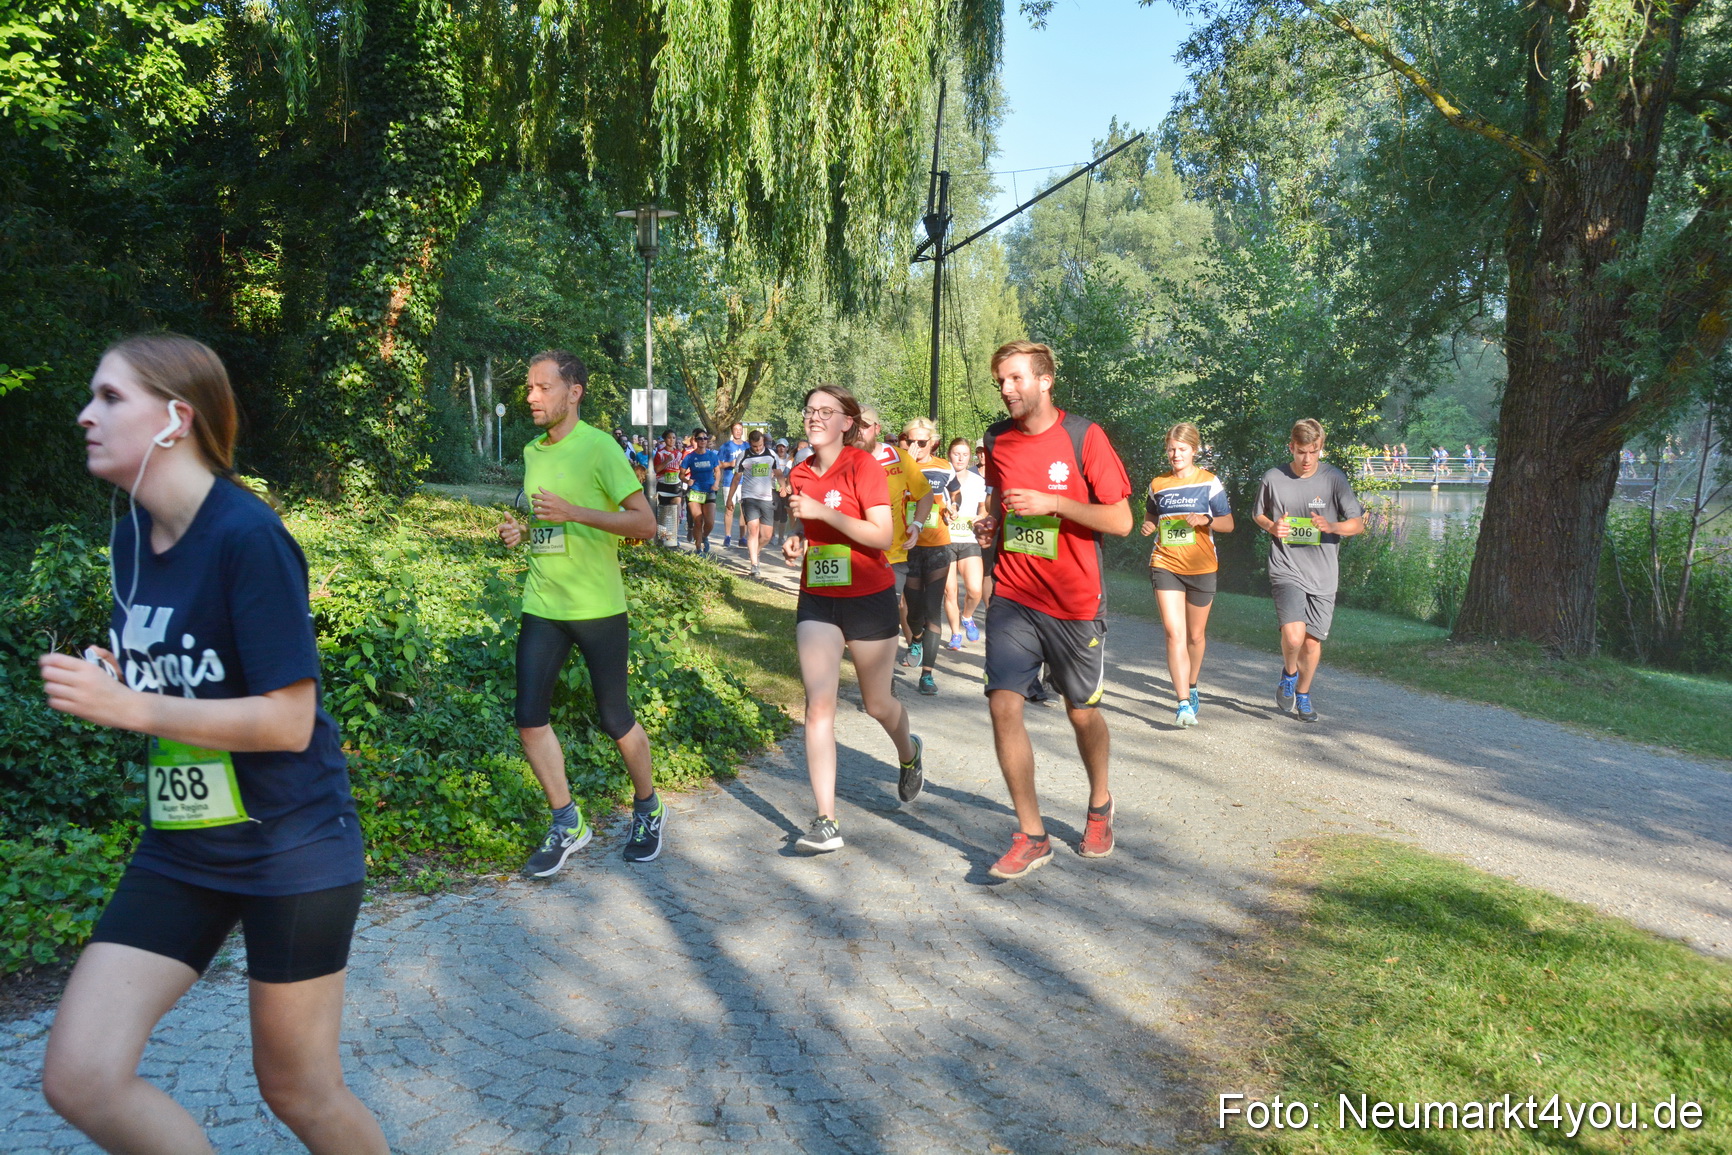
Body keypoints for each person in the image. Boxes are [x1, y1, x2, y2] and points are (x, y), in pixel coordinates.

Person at [36, 334, 388, 1154]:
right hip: (184, 845)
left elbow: (285, 720)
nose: (86, 414)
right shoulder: (131, 536)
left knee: (299, 1088)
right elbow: (185, 668)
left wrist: (127, 705)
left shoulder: (247, 536)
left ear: (175, 418)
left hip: (292, 848)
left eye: (112, 397)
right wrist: (119, 670)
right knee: (80, 1076)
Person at [495, 352, 666, 874]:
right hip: (543, 602)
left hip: (597, 607)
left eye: (542, 387)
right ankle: (567, 820)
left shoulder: (600, 448)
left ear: (574, 392)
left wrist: (575, 513)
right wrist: (519, 532)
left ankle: (648, 807)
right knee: (529, 719)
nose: (531, 397)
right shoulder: (530, 450)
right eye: (529, 387)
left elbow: (645, 525)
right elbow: (543, 521)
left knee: (615, 718)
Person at [970, 341, 1133, 880]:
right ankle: (1032, 834)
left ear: (1045, 380)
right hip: (1015, 594)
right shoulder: (996, 439)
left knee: (1081, 712)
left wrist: (1056, 504)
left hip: (1075, 603)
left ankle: (1100, 804)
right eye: (1000, 381)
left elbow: (1122, 522)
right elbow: (997, 500)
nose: (1006, 389)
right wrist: (990, 526)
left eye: (1015, 378)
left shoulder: (1084, 436)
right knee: (1003, 704)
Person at [781, 386, 924, 853]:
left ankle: (909, 752)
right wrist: (797, 540)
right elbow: (806, 525)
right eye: (810, 411)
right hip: (819, 597)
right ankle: (825, 820)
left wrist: (823, 513)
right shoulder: (799, 471)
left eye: (827, 411)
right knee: (818, 704)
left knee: (878, 704)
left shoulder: (862, 465)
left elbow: (882, 535)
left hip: (869, 596)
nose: (815, 418)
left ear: (848, 422)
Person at [1252, 418, 1366, 724]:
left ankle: (1302, 693)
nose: (1307, 459)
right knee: (1293, 636)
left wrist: (1332, 526)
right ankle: (1289, 675)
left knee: (1312, 642)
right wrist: (1272, 526)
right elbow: (1258, 515)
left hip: (1324, 572)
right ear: (1291, 447)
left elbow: (1358, 523)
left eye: (1313, 452)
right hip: (1286, 567)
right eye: (1301, 451)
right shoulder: (1274, 478)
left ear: (1321, 448)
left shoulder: (1333, 479)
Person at [1139, 422, 1234, 727]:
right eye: (1170, 449)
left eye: (1181, 449)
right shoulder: (1158, 484)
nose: (1175, 455)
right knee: (1173, 632)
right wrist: (1149, 526)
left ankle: (1191, 686)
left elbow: (1228, 523)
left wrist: (1206, 520)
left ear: (1194, 449)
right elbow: (1152, 515)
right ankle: (1182, 703)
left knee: (1195, 635)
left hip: (1202, 567)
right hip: (1165, 563)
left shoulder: (1209, 483)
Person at [858, 407, 933, 669]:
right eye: (853, 424)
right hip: (855, 554)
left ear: (877, 429)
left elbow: (925, 495)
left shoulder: (899, 458)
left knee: (891, 611)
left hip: (893, 552)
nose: (858, 430)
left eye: (865, 425)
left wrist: (917, 524)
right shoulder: (844, 458)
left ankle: (886, 672)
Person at [899, 417, 957, 695]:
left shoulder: (944, 467)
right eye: (910, 440)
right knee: (913, 611)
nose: (915, 446)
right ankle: (916, 639)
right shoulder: (896, 466)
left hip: (936, 545)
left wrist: (953, 507)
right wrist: (906, 465)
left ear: (932, 443)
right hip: (907, 545)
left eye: (921, 442)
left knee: (933, 610)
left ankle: (928, 675)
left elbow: (954, 493)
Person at [943, 438, 988, 648]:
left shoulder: (978, 481)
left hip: (969, 539)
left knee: (975, 590)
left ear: (970, 456)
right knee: (950, 591)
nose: (960, 458)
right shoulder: (941, 478)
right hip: (945, 539)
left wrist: (981, 517)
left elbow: (983, 509)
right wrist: (944, 513)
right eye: (956, 453)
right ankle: (955, 634)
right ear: (949, 454)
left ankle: (967, 617)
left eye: (964, 454)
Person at [726, 428, 781, 576]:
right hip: (749, 497)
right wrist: (730, 498)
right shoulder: (744, 456)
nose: (758, 449)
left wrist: (783, 486)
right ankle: (754, 565)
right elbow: (736, 479)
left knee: (767, 536)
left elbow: (779, 474)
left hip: (766, 498)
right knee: (753, 530)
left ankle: (756, 551)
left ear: (764, 441)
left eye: (760, 445)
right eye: (755, 446)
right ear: (749, 443)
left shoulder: (771, 454)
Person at [681, 428, 722, 553]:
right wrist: (687, 481)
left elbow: (718, 471)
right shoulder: (690, 457)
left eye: (705, 438)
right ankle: (698, 549)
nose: (703, 440)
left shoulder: (712, 455)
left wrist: (716, 483)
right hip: (695, 491)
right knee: (698, 520)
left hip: (709, 490)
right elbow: (681, 475)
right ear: (695, 440)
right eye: (700, 438)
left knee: (709, 522)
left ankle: (704, 537)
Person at [718, 421, 748, 548]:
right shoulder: (726, 446)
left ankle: (742, 537)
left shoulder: (747, 446)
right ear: (732, 431)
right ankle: (728, 536)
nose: (738, 431)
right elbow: (718, 464)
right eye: (735, 429)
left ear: (742, 431)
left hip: (745, 481)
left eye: (740, 429)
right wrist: (730, 464)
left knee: (744, 510)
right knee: (729, 509)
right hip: (729, 481)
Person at [652, 429, 683, 546]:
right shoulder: (660, 453)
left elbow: (682, 469)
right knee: (664, 513)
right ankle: (663, 538)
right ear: (665, 440)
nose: (672, 440)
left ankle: (674, 537)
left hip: (675, 486)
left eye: (674, 438)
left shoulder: (679, 453)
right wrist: (667, 461)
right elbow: (656, 470)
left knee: (676, 510)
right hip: (663, 486)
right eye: (669, 438)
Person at [771, 437, 794, 546]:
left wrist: (785, 481)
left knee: (784, 513)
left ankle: (781, 537)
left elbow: (791, 474)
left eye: (783, 447)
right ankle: (773, 536)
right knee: (776, 512)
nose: (781, 449)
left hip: (786, 489)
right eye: (779, 446)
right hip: (774, 488)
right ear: (776, 447)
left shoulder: (790, 459)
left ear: (787, 448)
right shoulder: (772, 458)